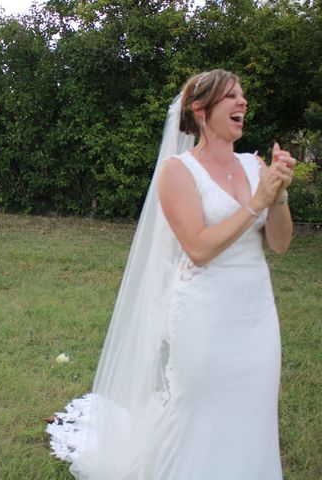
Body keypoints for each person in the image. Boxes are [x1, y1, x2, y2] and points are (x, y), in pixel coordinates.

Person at [47, 69, 296, 480]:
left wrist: (280, 193)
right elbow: (197, 248)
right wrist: (257, 201)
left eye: (243, 96)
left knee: (253, 407)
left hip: (256, 313)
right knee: (197, 410)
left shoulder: (255, 166)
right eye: (231, 97)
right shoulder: (178, 172)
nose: (242, 103)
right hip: (204, 313)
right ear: (200, 110)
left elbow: (281, 243)